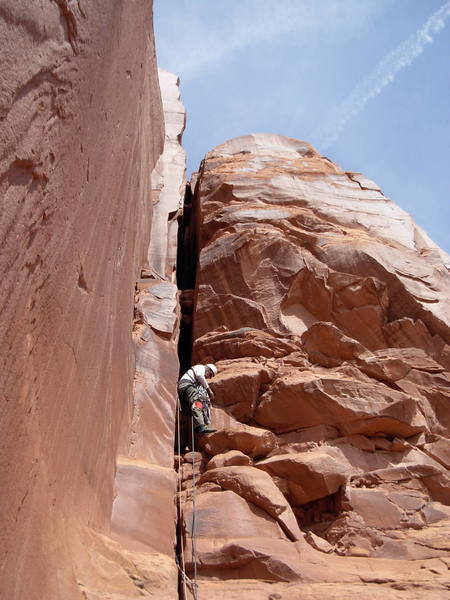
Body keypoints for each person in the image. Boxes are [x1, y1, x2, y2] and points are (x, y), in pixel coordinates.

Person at [178, 363, 218, 434]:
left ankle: (197, 426)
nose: (209, 377)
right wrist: (209, 390)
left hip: (185, 388)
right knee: (197, 403)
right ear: (208, 369)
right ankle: (201, 426)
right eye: (210, 375)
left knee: (196, 404)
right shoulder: (201, 368)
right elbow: (200, 376)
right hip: (187, 385)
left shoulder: (197, 373)